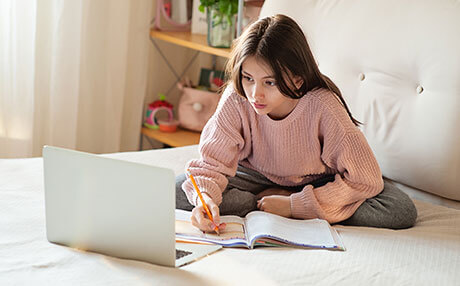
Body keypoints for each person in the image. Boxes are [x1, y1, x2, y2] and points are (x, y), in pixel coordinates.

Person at [176, 14, 417, 233]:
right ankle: (264, 200)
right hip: (253, 176)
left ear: (298, 80)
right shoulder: (237, 98)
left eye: (269, 83)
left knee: (398, 209)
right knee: (178, 190)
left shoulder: (323, 106)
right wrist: (206, 200)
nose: (254, 94)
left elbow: (366, 179)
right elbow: (211, 165)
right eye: (248, 78)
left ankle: (286, 202)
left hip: (317, 180)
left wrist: (294, 205)